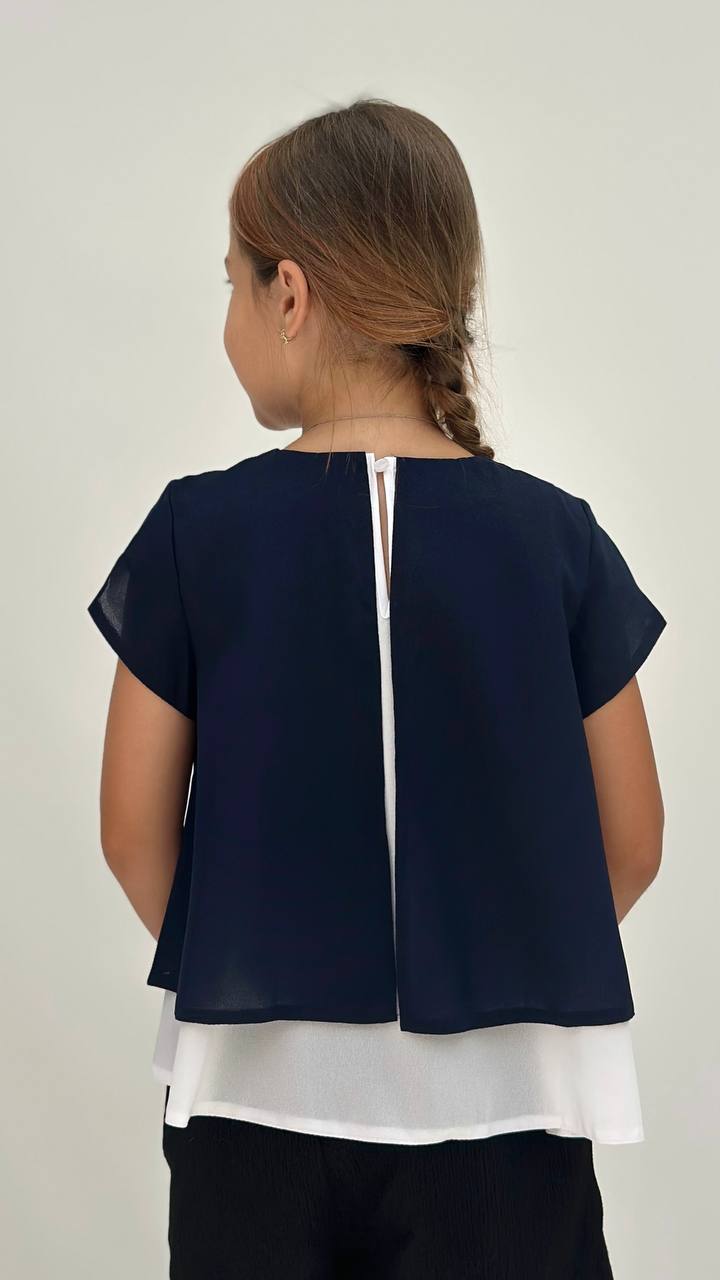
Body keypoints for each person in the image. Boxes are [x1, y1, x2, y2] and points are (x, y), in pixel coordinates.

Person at [87, 98, 667, 1279]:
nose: (230, 316)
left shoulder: (198, 532)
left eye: (233, 283)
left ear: (289, 294)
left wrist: (261, 951)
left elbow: (133, 832)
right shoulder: (555, 538)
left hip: (253, 1108)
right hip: (507, 1112)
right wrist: (494, 954)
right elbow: (633, 838)